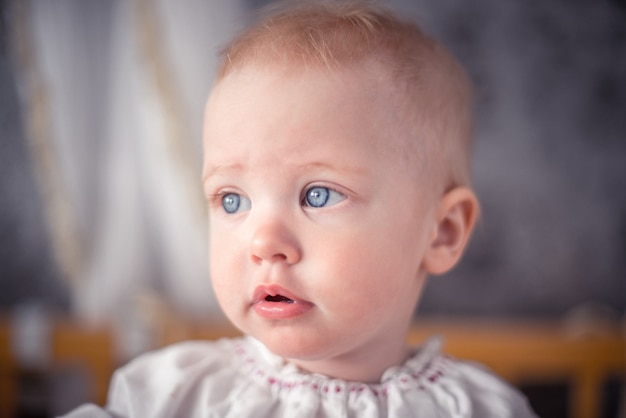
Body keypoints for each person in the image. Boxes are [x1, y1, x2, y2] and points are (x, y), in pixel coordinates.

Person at [63, 1, 537, 417]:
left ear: (442, 233)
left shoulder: (478, 408)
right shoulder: (174, 394)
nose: (263, 241)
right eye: (233, 200)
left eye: (319, 195)